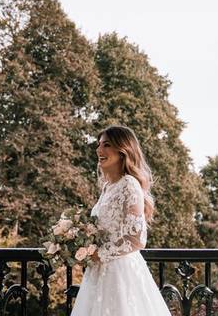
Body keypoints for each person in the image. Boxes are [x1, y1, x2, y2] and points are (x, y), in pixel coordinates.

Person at [70, 125, 171, 316]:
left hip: (121, 273)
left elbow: (136, 239)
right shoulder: (108, 186)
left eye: (106, 145)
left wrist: (100, 254)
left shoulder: (129, 184)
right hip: (100, 272)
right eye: (99, 145)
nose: (99, 150)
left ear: (123, 150)